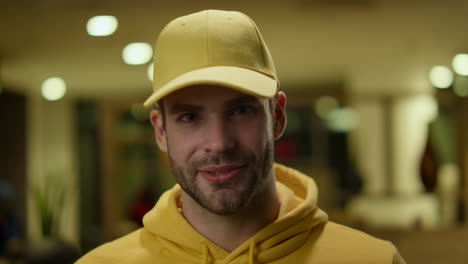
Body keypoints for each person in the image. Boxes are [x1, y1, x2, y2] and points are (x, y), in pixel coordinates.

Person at [77, 9, 406, 263]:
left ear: (276, 116)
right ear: (161, 132)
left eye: (240, 111)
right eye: (190, 117)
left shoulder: (373, 259)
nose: (219, 143)